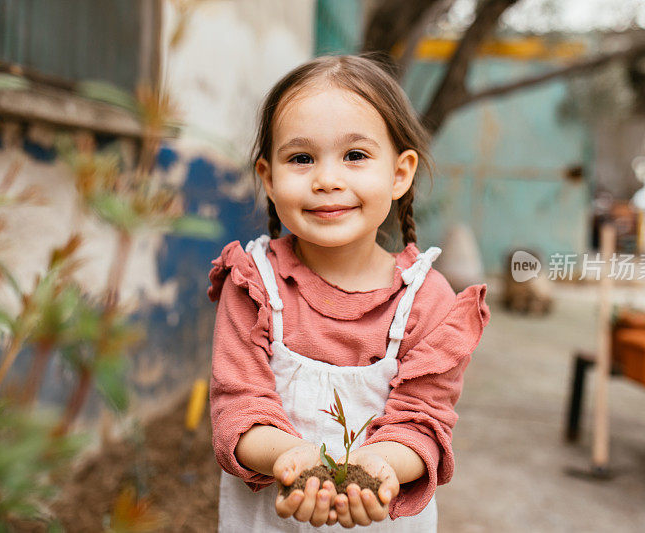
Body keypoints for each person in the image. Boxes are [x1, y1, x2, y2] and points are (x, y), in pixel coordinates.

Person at [207, 54, 490, 532]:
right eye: (301, 158)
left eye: (355, 155)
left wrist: (375, 470)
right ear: (268, 178)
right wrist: (294, 461)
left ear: (400, 174)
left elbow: (424, 422)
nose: (327, 179)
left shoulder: (428, 300)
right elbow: (237, 407)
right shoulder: (253, 285)